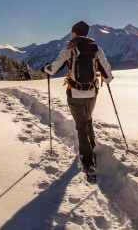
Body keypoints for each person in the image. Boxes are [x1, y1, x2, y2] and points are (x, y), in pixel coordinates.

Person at [42, 21, 114, 182]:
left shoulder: (70, 47)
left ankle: (87, 161)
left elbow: (54, 68)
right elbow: (107, 74)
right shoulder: (96, 49)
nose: (71, 34)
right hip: (91, 92)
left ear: (75, 32)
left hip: (75, 92)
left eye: (72, 31)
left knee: (81, 125)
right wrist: (106, 79)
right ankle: (92, 145)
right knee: (88, 119)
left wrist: (45, 68)